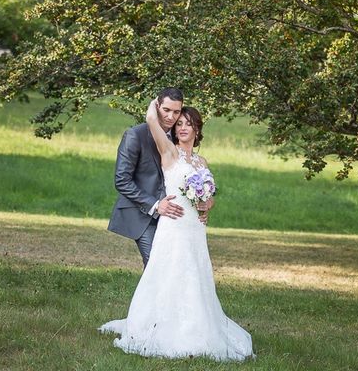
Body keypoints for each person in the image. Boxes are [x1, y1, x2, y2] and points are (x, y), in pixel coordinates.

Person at [99, 99, 254, 361]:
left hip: (195, 228)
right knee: (169, 273)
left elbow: (209, 194)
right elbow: (152, 123)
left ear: (197, 130)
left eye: (188, 124)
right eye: (178, 123)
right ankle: (159, 327)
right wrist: (154, 109)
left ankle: (198, 327)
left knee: (196, 275)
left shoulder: (201, 161)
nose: (182, 127)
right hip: (173, 225)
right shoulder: (169, 152)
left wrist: (207, 204)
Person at [106, 88, 209, 267]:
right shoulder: (135, 135)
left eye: (176, 112)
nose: (171, 117)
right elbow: (122, 180)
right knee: (157, 265)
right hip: (143, 213)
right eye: (166, 110)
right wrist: (155, 205)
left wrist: (203, 203)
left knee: (179, 266)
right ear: (157, 106)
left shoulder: (179, 142)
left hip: (175, 218)